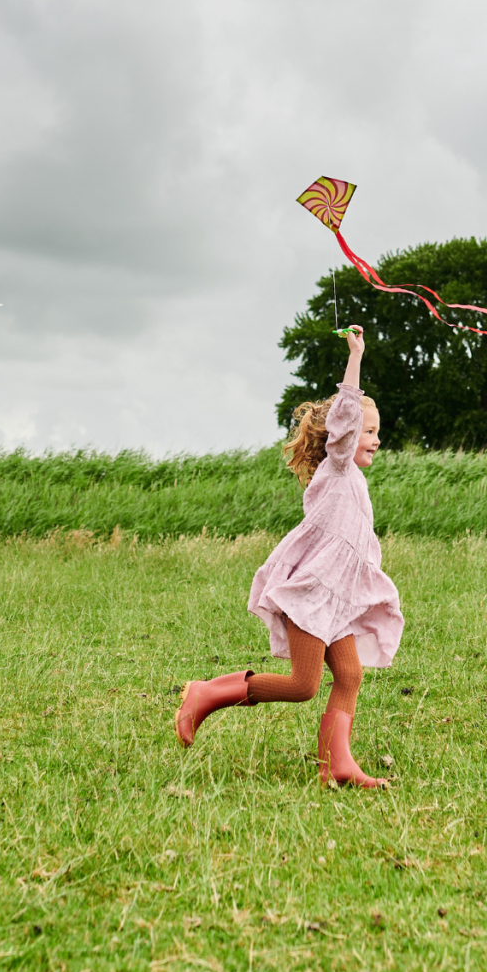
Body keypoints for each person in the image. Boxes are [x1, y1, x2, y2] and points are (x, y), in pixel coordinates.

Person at [173, 325, 402, 788]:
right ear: (346, 433)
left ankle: (337, 764)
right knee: (303, 685)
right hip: (310, 594)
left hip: (337, 600)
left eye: (378, 432)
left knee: (350, 676)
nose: (376, 439)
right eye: (369, 431)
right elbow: (344, 418)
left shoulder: (354, 481)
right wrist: (355, 358)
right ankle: (206, 694)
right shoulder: (337, 467)